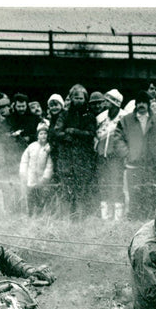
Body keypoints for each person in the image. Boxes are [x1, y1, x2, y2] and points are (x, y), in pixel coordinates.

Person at [113, 90, 156, 220]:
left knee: (151, 195)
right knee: (133, 196)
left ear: (148, 104)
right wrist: (127, 154)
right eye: (139, 102)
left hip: (152, 165)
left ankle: (149, 221)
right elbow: (117, 138)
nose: (141, 105)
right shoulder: (126, 120)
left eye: (144, 102)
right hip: (133, 166)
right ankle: (133, 222)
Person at [51, 84, 97, 217]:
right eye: (75, 97)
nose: (78, 101)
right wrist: (69, 137)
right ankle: (66, 217)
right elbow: (57, 131)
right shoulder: (64, 115)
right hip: (66, 158)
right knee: (67, 189)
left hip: (83, 159)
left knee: (81, 189)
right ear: (71, 98)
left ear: (85, 99)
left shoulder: (89, 116)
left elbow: (91, 134)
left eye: (81, 98)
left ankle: (80, 217)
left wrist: (74, 131)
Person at [95, 89, 126, 220]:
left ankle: (118, 216)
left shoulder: (124, 117)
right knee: (104, 184)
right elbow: (96, 136)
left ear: (115, 103)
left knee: (117, 184)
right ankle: (105, 216)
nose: (104, 103)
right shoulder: (100, 117)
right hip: (102, 156)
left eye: (107, 101)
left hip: (116, 157)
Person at [19, 123, 54, 216]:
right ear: (37, 135)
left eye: (45, 133)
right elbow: (24, 160)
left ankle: (39, 214)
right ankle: (30, 213)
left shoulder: (48, 148)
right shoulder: (32, 146)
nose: (43, 136)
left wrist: (46, 177)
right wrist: (23, 172)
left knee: (41, 196)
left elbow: (50, 164)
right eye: (41, 134)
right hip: (31, 176)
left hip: (42, 178)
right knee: (30, 195)